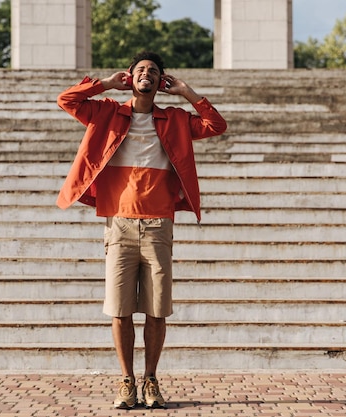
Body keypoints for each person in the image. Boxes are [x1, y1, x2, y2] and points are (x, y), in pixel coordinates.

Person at [55, 51, 227, 409]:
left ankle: (151, 379)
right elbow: (66, 100)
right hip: (118, 222)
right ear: (130, 77)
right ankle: (126, 381)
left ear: (161, 81)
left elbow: (216, 125)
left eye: (153, 71)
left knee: (156, 309)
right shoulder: (105, 111)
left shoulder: (176, 119)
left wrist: (187, 93)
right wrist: (103, 84)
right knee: (119, 309)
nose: (146, 74)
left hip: (159, 223)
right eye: (140, 70)